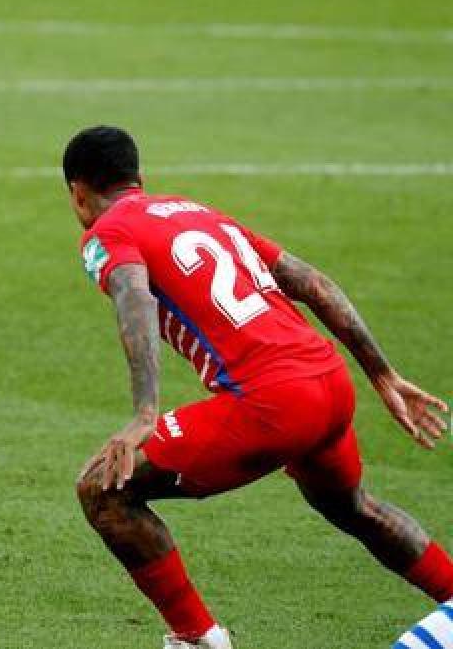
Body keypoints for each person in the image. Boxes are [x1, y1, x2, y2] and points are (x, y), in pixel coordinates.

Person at [62, 126, 450, 648]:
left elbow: (135, 296)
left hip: (272, 402)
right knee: (355, 507)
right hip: (329, 382)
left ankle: (197, 636)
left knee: (103, 489)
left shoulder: (106, 233)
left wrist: (145, 413)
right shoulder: (199, 212)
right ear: (140, 178)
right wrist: (381, 373)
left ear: (78, 193)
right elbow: (312, 282)